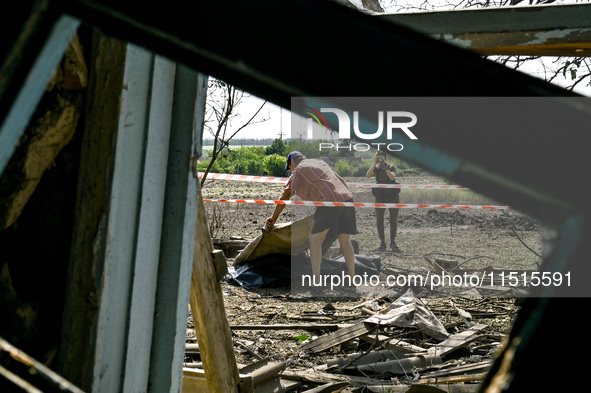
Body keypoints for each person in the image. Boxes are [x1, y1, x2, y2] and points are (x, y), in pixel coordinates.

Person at [264, 151, 357, 287]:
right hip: (347, 199)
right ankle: (352, 279)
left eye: (289, 167)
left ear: (292, 162)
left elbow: (286, 194)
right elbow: (341, 181)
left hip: (328, 202)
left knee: (315, 240)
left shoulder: (299, 170)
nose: (291, 170)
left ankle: (316, 281)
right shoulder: (320, 162)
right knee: (345, 242)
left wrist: (273, 218)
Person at [366, 151, 402, 253]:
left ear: (385, 158)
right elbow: (367, 175)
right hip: (380, 196)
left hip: (392, 196)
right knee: (379, 220)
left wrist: (386, 168)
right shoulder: (376, 169)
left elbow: (392, 178)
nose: (380, 159)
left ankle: (392, 241)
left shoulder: (391, 167)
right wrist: (374, 164)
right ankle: (382, 241)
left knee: (393, 220)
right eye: (378, 157)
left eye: (381, 157)